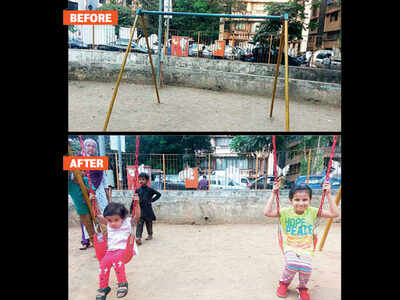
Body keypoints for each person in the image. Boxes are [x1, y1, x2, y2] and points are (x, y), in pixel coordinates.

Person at [264, 180, 340, 300]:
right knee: (292, 264)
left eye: (305, 200)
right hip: (290, 245)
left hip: (307, 247)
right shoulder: (285, 212)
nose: (301, 203)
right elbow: (267, 212)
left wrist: (328, 194)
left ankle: (302, 287)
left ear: (310, 200)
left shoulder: (313, 212)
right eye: (297, 200)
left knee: (306, 267)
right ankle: (284, 283)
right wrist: (274, 193)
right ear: (291, 200)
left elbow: (335, 213)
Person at [95, 201, 141, 300]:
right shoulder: (108, 223)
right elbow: (98, 216)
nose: (113, 223)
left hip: (124, 250)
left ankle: (122, 283)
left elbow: (136, 217)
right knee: (103, 264)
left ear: (123, 218)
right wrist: (94, 203)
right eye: (110, 220)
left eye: (116, 220)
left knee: (117, 261)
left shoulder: (127, 222)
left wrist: (137, 204)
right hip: (110, 251)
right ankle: (104, 288)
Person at [80, 138, 111, 250]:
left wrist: (107, 195)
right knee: (86, 215)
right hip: (85, 191)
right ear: (84, 147)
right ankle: (88, 240)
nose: (91, 148)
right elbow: (75, 177)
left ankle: (104, 238)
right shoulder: (79, 159)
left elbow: (104, 180)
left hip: (99, 191)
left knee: (101, 213)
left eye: (93, 146)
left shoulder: (99, 161)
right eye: (88, 145)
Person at [68, 170, 98, 249]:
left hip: (93, 207)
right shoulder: (69, 183)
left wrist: (79, 183)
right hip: (81, 209)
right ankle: (97, 248)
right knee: (90, 230)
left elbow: (93, 191)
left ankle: (105, 246)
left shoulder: (84, 179)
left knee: (100, 226)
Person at [135, 173, 161, 245]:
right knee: (139, 223)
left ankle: (150, 234)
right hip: (141, 209)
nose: (141, 181)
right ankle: (138, 237)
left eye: (143, 179)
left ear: (147, 181)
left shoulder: (150, 190)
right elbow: (135, 199)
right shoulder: (137, 190)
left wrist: (152, 200)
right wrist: (132, 209)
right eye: (140, 179)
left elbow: (159, 194)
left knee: (149, 222)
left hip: (148, 209)